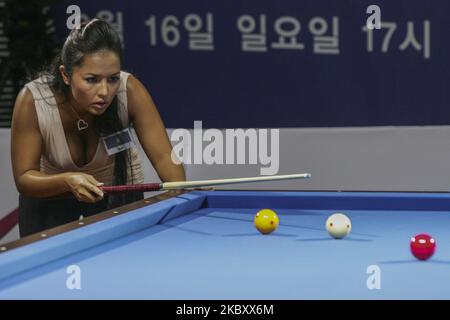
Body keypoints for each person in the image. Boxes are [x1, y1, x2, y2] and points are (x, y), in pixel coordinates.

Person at [10, 19, 185, 237]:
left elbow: (163, 157)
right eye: (92, 79)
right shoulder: (33, 100)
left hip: (119, 190)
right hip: (52, 194)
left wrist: (181, 194)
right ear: (65, 75)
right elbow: (25, 177)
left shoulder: (129, 90)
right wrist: (68, 180)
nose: (105, 91)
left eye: (113, 78)